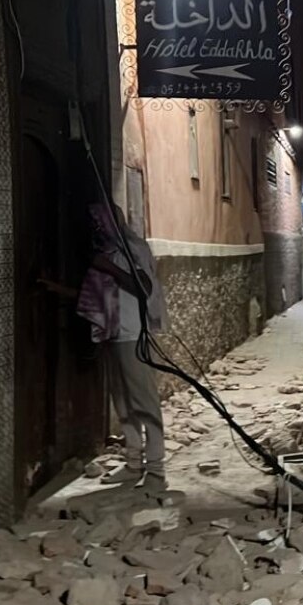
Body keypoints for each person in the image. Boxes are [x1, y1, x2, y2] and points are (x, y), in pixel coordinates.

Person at [75, 202, 169, 488]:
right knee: (124, 404)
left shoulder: (133, 249)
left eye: (100, 222)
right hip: (114, 335)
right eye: (93, 224)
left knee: (144, 401)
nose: (96, 228)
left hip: (133, 334)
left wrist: (109, 268)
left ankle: (155, 468)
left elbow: (144, 288)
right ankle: (133, 462)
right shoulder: (108, 253)